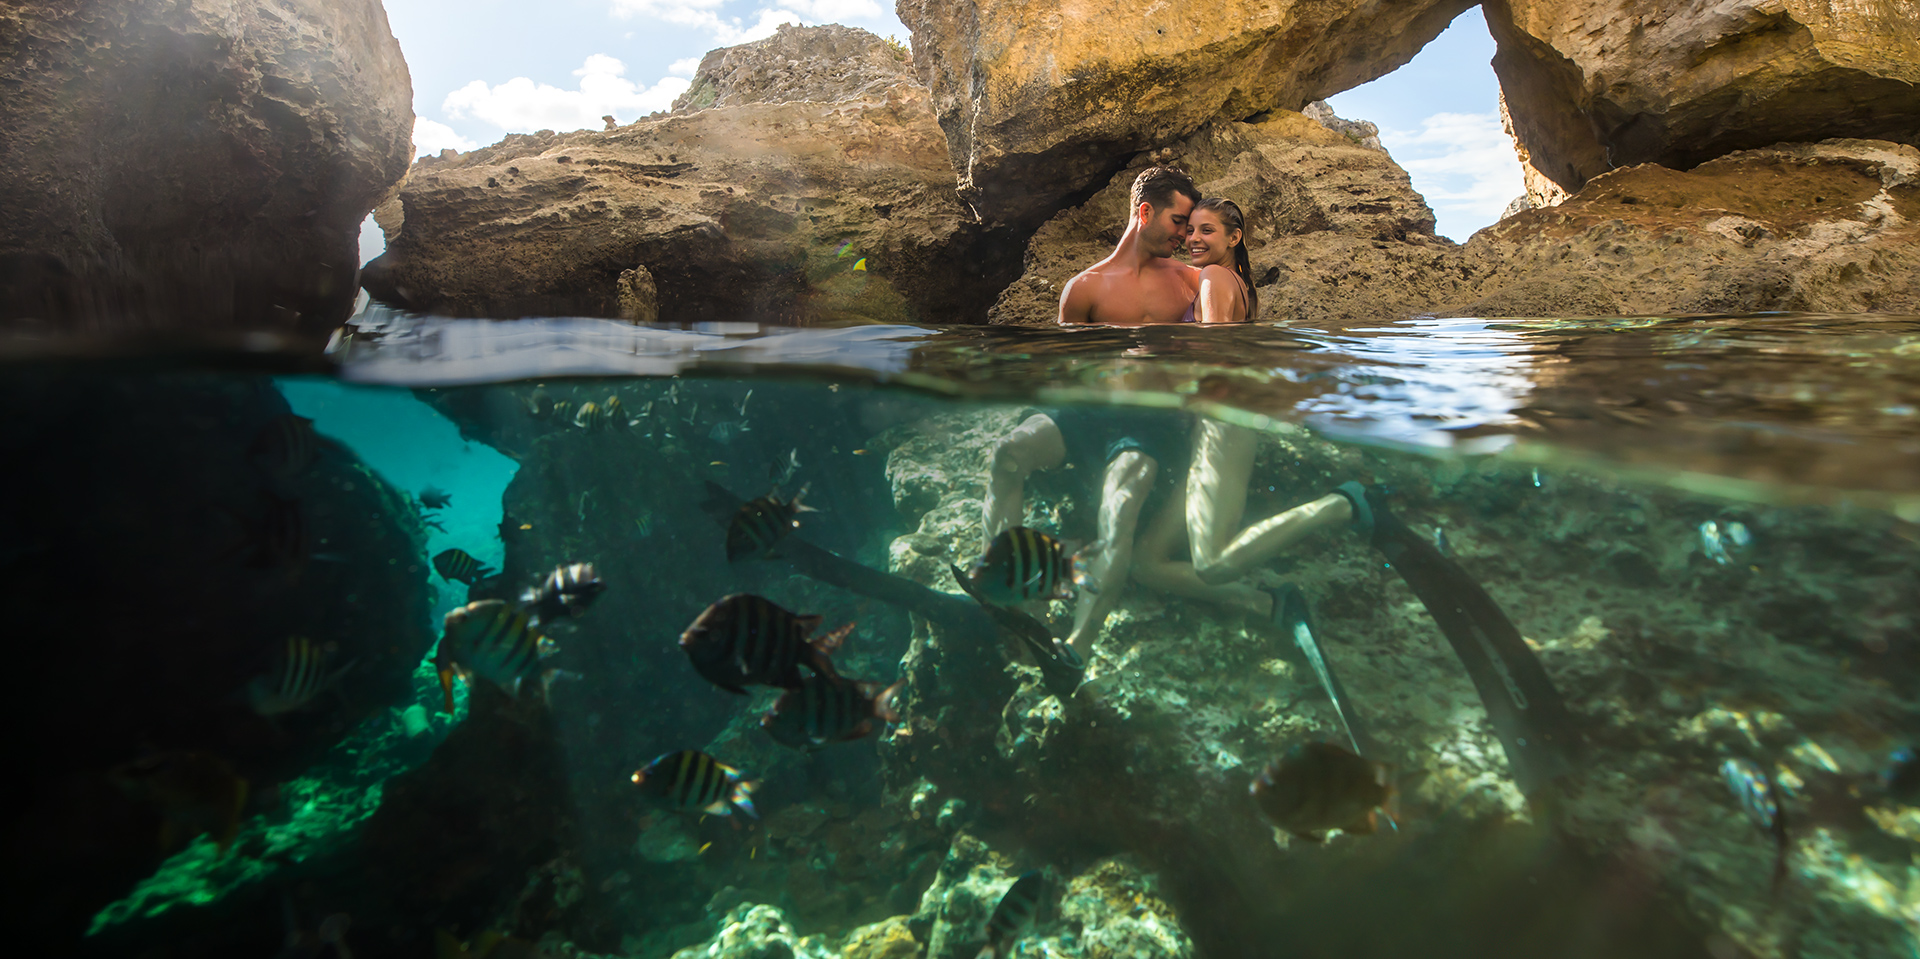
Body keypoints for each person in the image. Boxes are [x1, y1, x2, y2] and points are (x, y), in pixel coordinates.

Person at [982, 167, 1202, 658]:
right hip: (1088, 416)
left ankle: (1075, 650)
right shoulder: (1083, 289)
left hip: (1152, 423)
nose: (1186, 234)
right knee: (1009, 452)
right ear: (1144, 212)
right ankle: (1017, 604)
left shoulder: (1192, 284)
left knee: (1121, 506)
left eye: (1190, 225)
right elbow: (1067, 375)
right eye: (1179, 220)